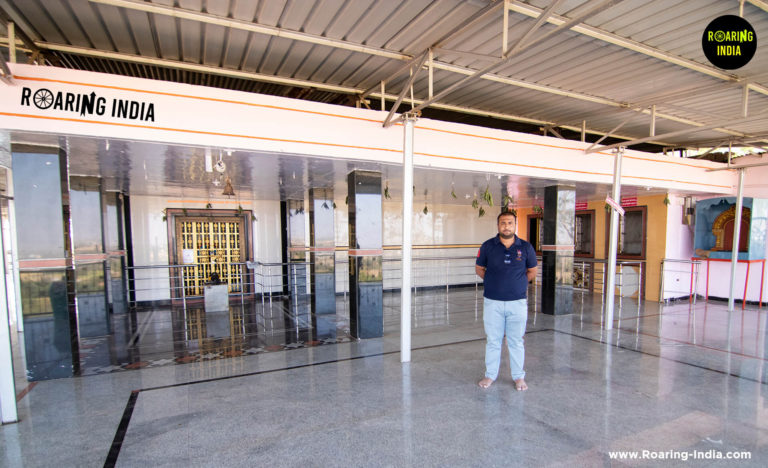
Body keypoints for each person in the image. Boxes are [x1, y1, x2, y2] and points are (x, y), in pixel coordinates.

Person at [475, 211, 537, 391]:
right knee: (493, 340)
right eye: (503, 223)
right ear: (498, 225)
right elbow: (479, 269)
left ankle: (519, 377)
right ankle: (490, 375)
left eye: (510, 223)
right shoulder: (488, 246)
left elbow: (532, 271)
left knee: (516, 341)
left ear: (515, 225)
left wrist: (518, 284)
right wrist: (494, 282)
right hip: (492, 302)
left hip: (517, 303)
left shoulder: (525, 247)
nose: (506, 226)